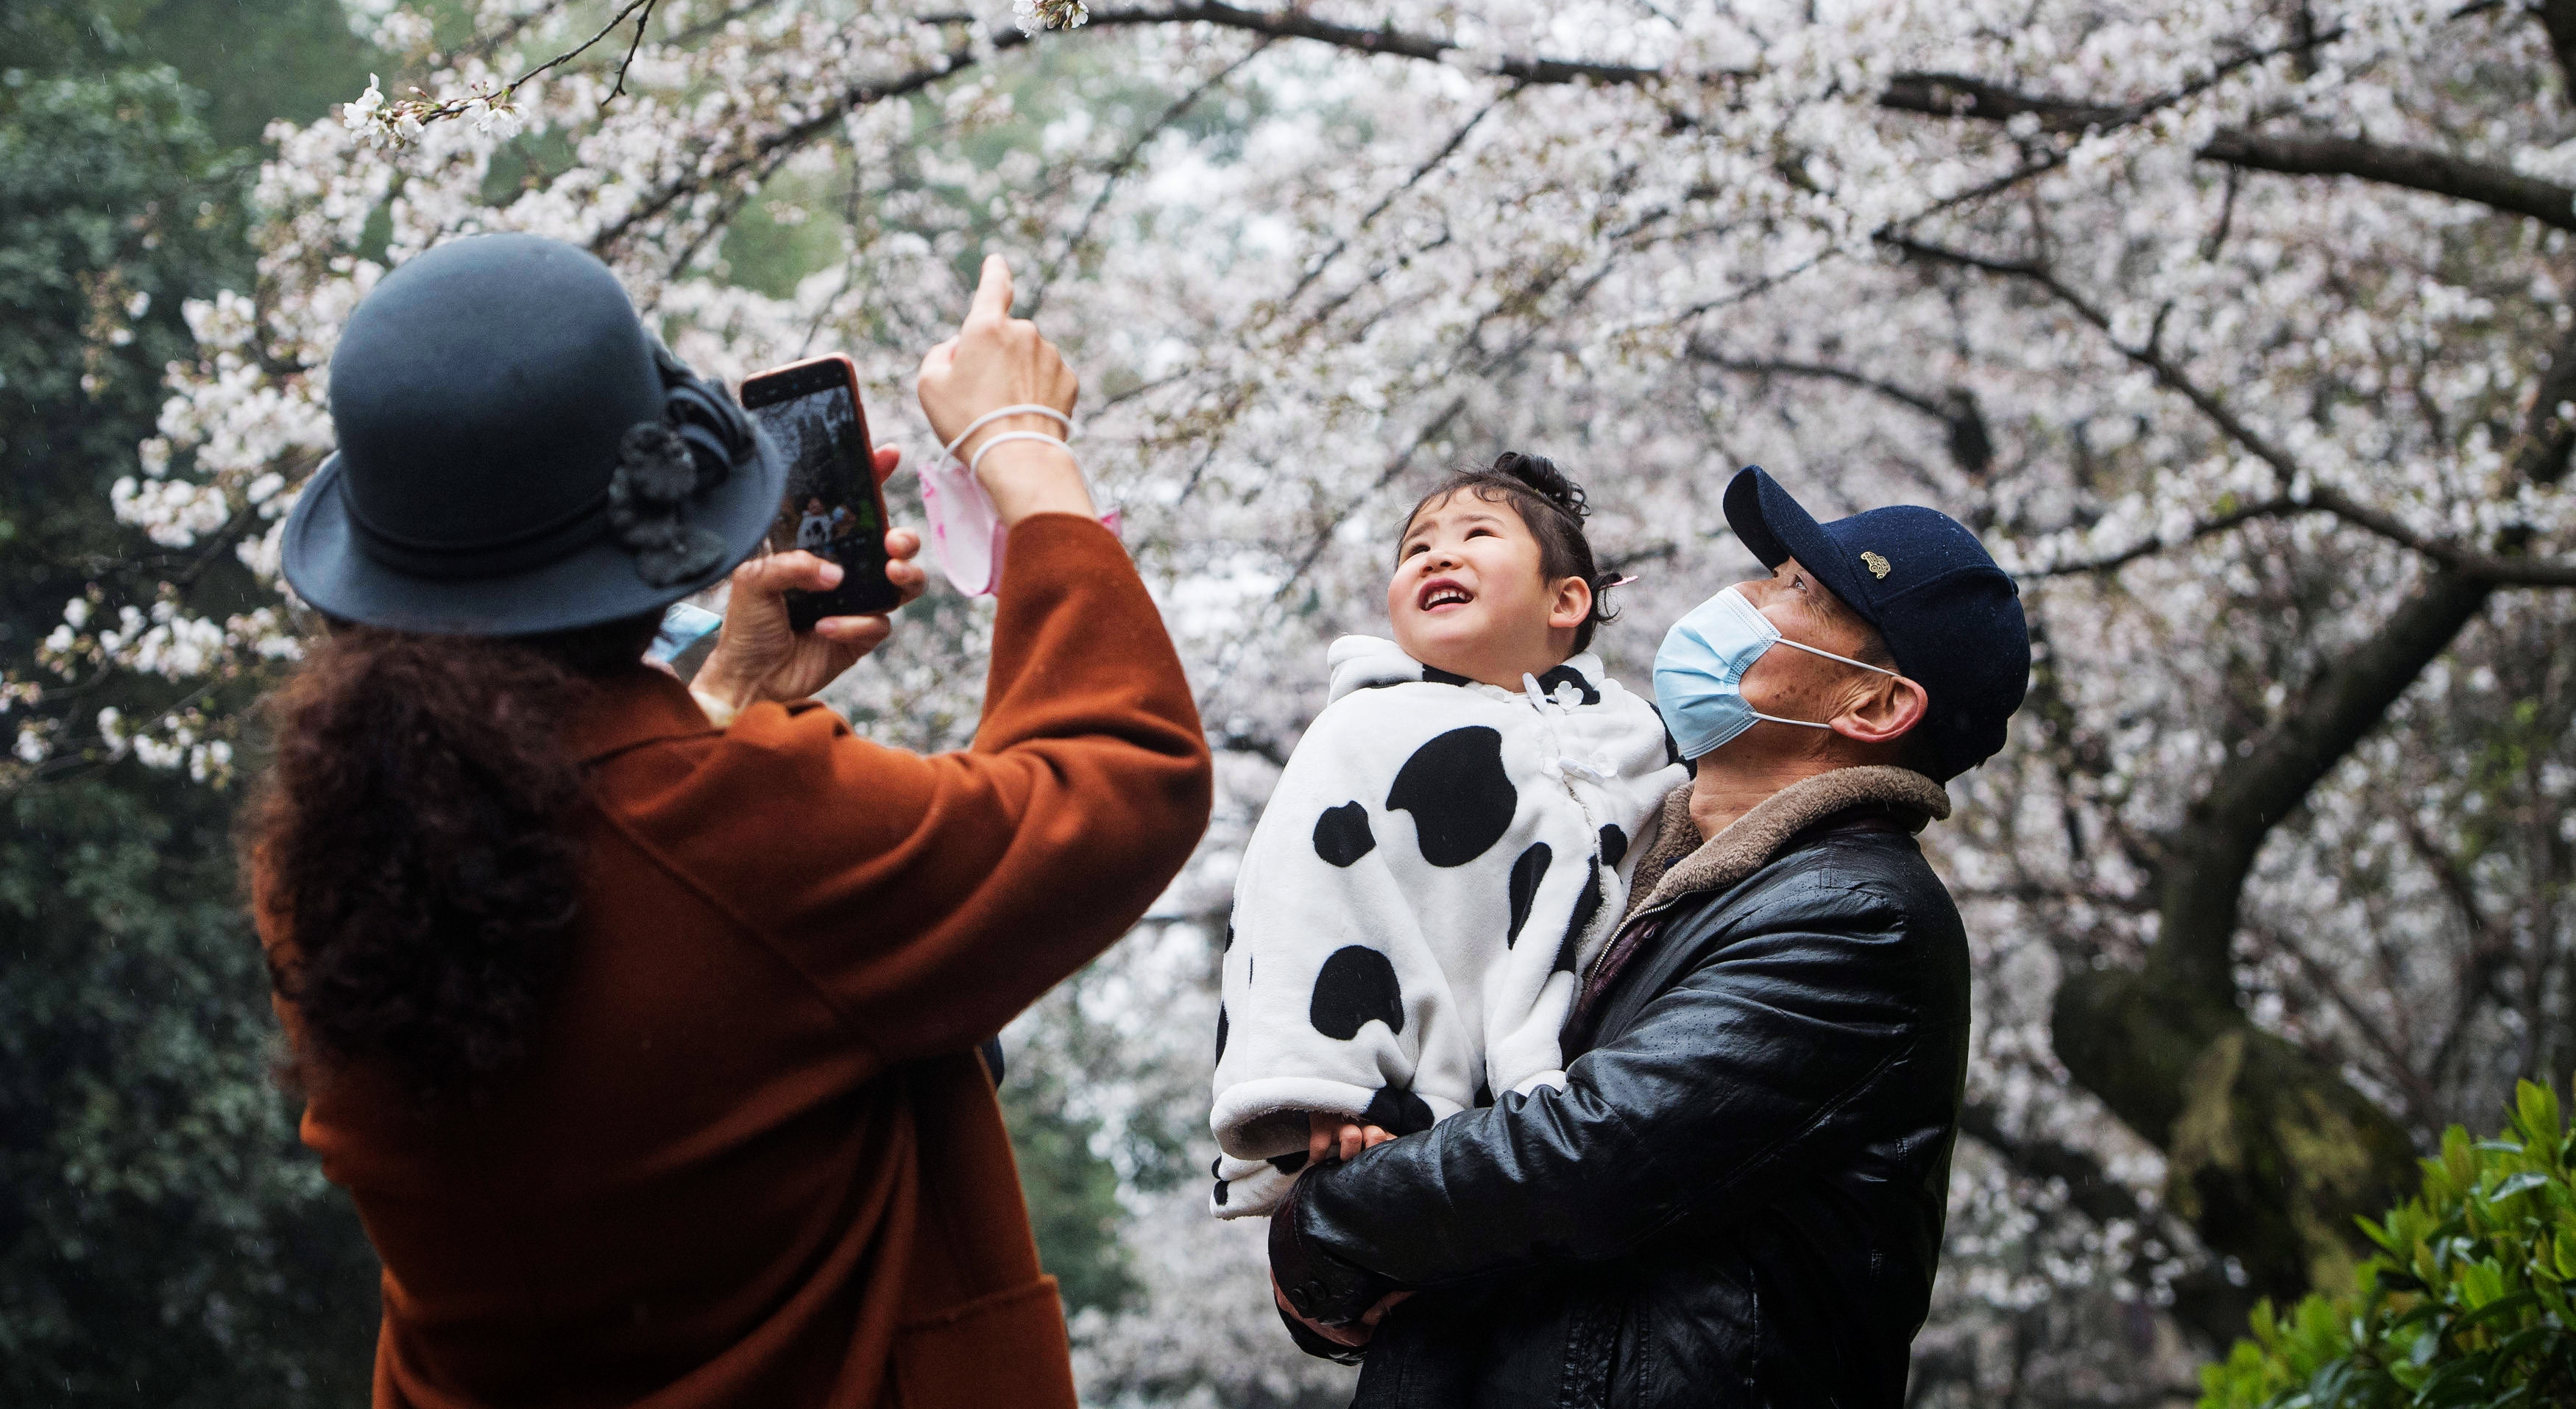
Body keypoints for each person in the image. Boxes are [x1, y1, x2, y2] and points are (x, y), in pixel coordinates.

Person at [246, 233, 1211, 1409]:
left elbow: (620, 873)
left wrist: (715, 695)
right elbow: (1125, 777)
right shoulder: (749, 828)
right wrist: (1023, 451)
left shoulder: (331, 863)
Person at [1267, 464, 2031, 1408]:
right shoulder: (1593, 859)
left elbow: (1579, 1153)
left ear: (1873, 705)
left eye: (1796, 590)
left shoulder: (1858, 914)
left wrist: (1324, 1223)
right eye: (1769, 570)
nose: (1740, 594)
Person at [1209, 455, 1685, 1220]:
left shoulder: (1627, 735)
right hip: (1397, 1108)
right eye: (1415, 546)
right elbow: (1301, 902)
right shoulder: (1361, 729)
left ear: (1566, 599)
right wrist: (1327, 1089)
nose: (1437, 552)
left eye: (1477, 532)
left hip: (1581, 1091)